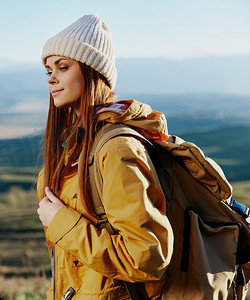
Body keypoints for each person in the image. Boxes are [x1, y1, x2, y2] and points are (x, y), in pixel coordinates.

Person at [36, 14, 174, 299]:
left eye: (63, 67)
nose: (51, 78)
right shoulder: (75, 149)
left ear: (92, 72)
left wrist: (61, 221)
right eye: (48, 69)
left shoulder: (115, 149)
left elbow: (145, 256)